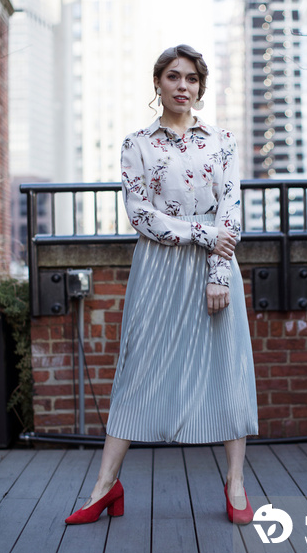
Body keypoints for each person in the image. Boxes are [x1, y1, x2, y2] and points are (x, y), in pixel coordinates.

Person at [65, 44, 258, 527]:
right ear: (158, 83)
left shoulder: (223, 141)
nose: (182, 86)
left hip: (215, 268)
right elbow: (140, 215)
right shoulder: (137, 143)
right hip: (157, 269)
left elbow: (230, 212)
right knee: (137, 371)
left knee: (226, 368)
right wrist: (205, 234)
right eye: (173, 76)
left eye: (191, 79)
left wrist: (217, 270)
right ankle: (105, 486)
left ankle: (235, 483)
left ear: (200, 87)